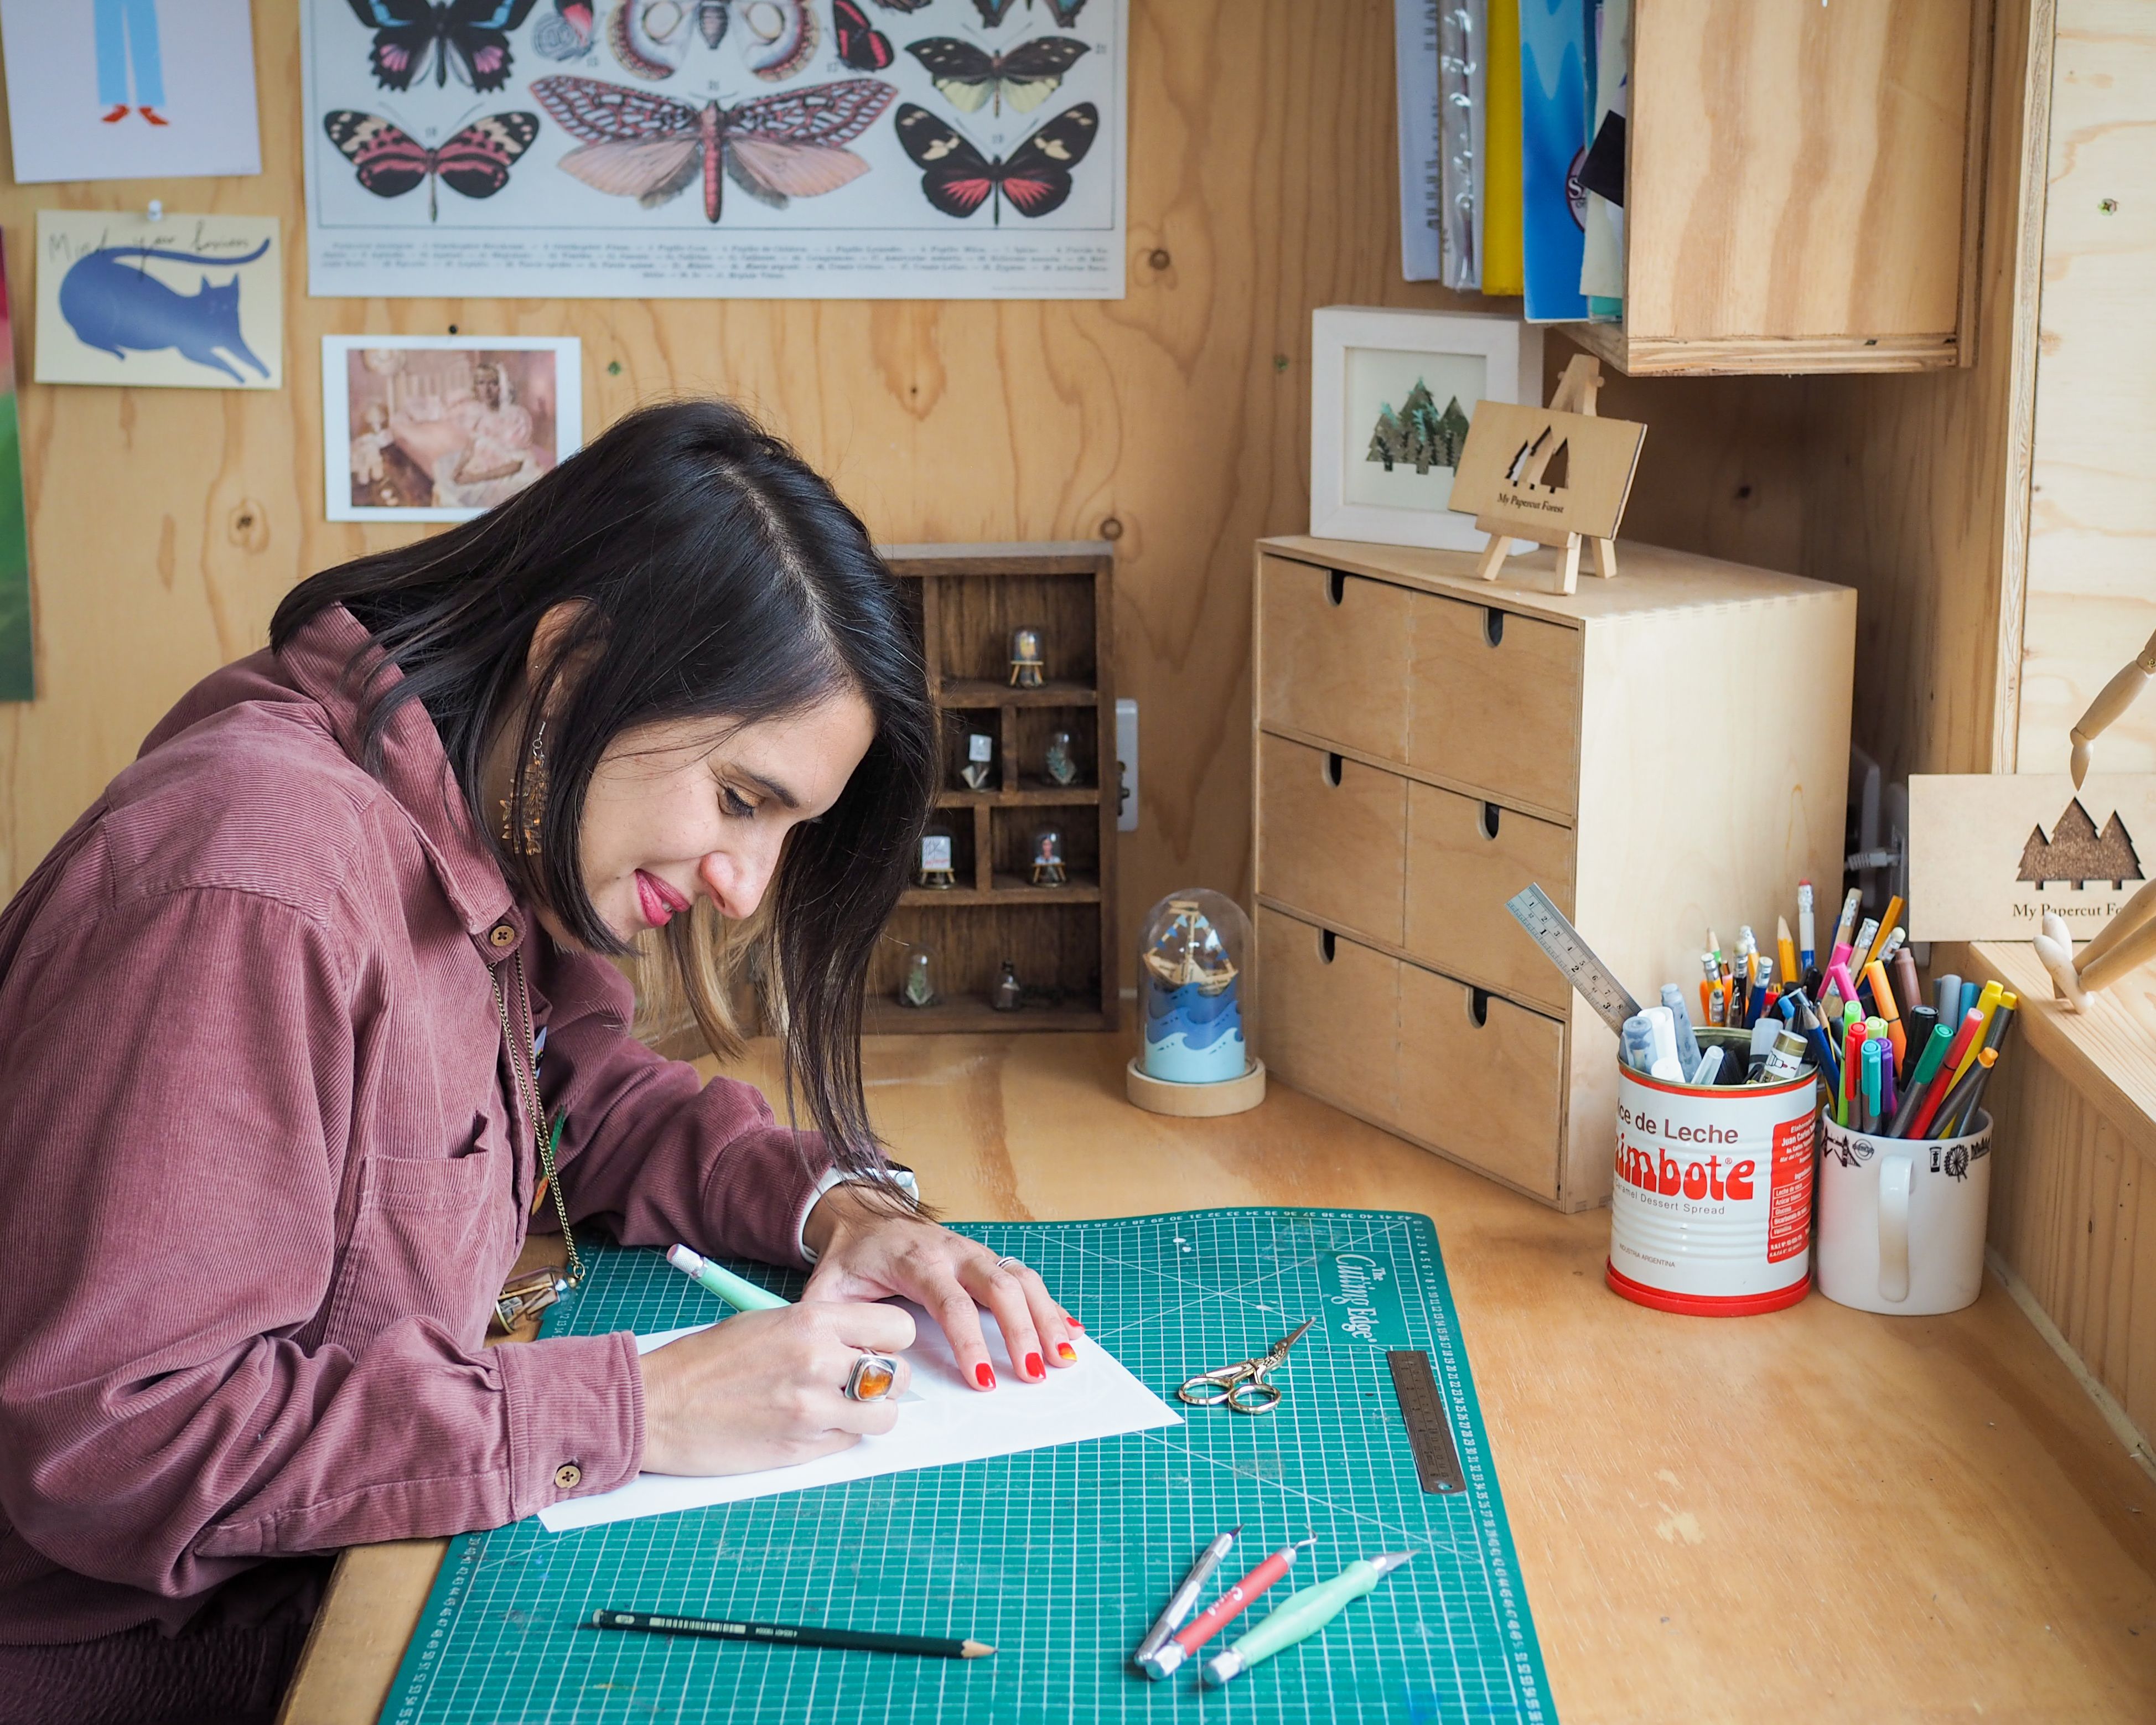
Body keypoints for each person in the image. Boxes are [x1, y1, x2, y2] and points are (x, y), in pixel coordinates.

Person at [0, 400, 1079, 1725]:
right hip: (151, 1673)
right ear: (573, 666)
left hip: (342, 1582)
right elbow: (121, 1440)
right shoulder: (256, 887)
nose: (746, 887)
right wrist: (636, 1405)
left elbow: (580, 1097)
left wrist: (839, 1208)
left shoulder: (468, 837)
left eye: (790, 829)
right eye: (741, 799)